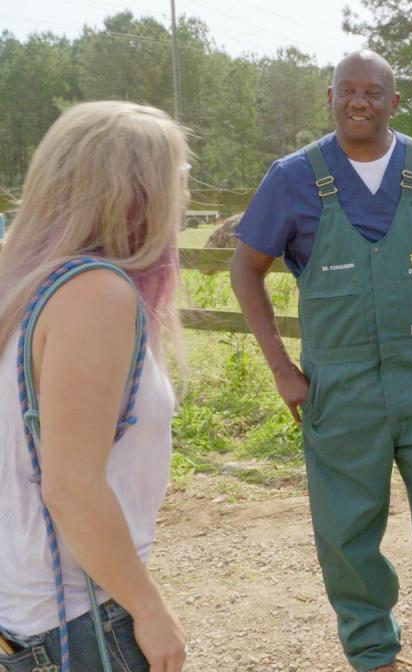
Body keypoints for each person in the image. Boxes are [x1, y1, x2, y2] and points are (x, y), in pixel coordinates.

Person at [231, 51, 412, 672]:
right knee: (347, 531)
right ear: (329, 97)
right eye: (347, 91)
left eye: (373, 91)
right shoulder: (293, 176)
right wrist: (281, 370)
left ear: (393, 101)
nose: (360, 101)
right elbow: (245, 269)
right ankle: (373, 651)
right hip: (339, 387)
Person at [0, 101, 188, 672]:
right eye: (177, 181)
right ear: (137, 192)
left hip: (26, 616)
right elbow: (72, 487)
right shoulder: (95, 294)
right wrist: (151, 611)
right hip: (80, 622)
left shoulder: (23, 285)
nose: (184, 199)